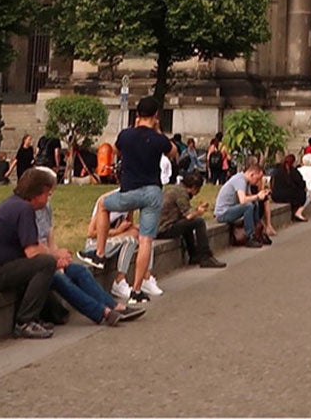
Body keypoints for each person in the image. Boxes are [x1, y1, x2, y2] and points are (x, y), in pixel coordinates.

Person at [0, 167, 65, 339]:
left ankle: (46, 315)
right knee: (46, 263)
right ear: (36, 194)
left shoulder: (15, 205)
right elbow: (33, 252)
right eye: (47, 194)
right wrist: (55, 255)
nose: (48, 199)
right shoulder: (24, 209)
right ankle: (25, 321)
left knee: (41, 265)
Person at [92, 98, 173, 302]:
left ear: (137, 115)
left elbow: (117, 150)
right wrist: (158, 130)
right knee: (146, 240)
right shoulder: (158, 139)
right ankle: (137, 289)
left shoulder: (126, 135)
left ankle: (100, 253)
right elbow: (173, 152)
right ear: (155, 116)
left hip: (130, 191)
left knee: (103, 205)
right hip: (153, 191)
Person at [33, 179, 141, 328]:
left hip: (48, 258)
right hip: (37, 261)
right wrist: (55, 259)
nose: (49, 197)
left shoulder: (46, 208)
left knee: (80, 271)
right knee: (61, 279)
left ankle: (114, 306)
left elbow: (49, 240)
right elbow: (32, 248)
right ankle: (103, 312)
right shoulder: (26, 212)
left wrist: (58, 255)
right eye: (47, 194)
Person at [158, 169, 226, 268]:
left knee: (188, 224)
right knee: (198, 222)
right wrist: (199, 211)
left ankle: (193, 254)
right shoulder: (181, 193)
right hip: (164, 228)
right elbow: (188, 215)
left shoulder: (176, 189)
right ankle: (205, 256)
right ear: (194, 187)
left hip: (161, 226)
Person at [216, 161, 274, 246]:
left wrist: (261, 195)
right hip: (223, 213)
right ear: (252, 174)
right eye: (257, 179)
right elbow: (243, 200)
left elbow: (250, 197)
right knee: (248, 206)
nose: (257, 182)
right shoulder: (240, 180)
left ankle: (258, 231)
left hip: (231, 209)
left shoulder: (246, 182)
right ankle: (249, 236)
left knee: (254, 203)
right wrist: (257, 196)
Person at [270, 151, 311, 222]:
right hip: (288, 195)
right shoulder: (293, 171)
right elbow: (300, 183)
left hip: (276, 196)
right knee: (305, 194)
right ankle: (298, 212)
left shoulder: (277, 170)